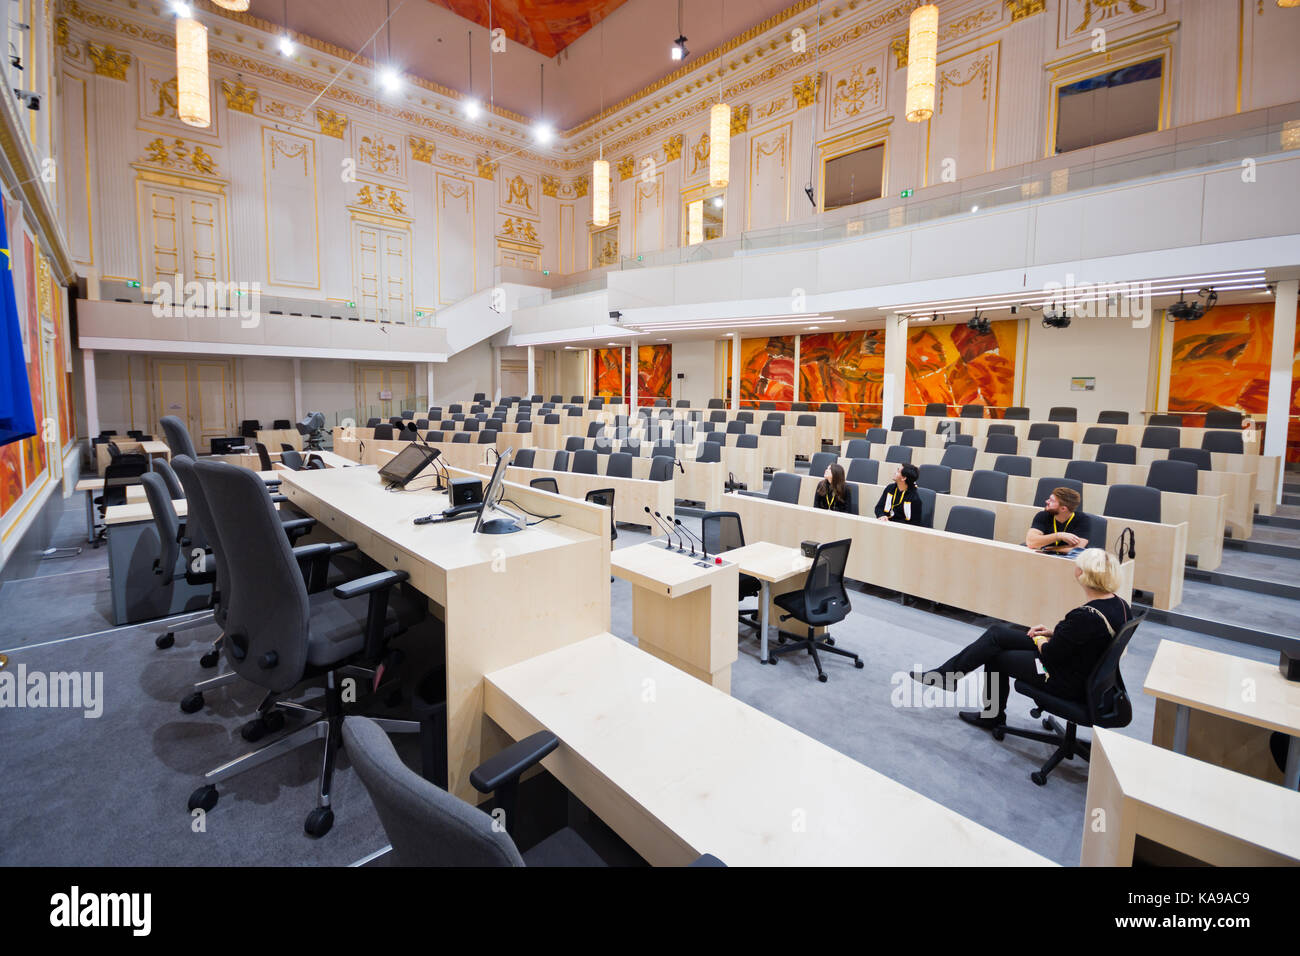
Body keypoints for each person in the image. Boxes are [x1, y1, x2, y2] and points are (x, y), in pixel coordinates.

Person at [909, 548, 1130, 728]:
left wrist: (1041, 640)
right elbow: (1088, 637)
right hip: (1084, 669)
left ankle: (991, 716)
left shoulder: (1085, 616)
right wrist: (1054, 633)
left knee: (996, 657)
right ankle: (948, 676)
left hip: (1059, 676)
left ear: (1083, 574)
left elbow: (1052, 656)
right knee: (997, 634)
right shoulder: (1119, 605)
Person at [1025, 486, 1091, 556]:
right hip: (1045, 557)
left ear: (1063, 509)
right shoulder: (1042, 515)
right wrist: (1059, 535)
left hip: (1070, 560)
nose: (1047, 501)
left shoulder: (1083, 519)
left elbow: (1077, 549)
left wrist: (1051, 549)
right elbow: (1031, 542)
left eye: (1051, 501)